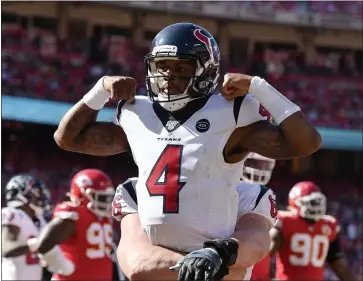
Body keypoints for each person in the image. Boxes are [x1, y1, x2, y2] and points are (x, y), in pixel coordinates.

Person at [54, 22, 321, 279]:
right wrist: (99, 91)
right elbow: (67, 139)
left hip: (211, 251)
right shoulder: (138, 113)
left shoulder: (231, 115)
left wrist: (258, 87)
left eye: (181, 67)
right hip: (188, 261)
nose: (169, 76)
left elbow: (306, 143)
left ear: (206, 71)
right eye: (162, 67)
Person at [112, 177, 277, 280]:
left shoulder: (248, 193)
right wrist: (211, 264)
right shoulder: (136, 189)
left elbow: (255, 244)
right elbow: (138, 264)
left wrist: (214, 256)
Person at [26, 169, 115, 280]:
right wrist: (62, 266)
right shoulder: (73, 215)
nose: (106, 203)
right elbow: (44, 244)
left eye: (108, 198)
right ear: (81, 194)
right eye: (101, 198)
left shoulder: (102, 218)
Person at [269, 181, 359, 281]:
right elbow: (341, 269)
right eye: (312, 203)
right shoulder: (285, 222)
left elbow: (340, 267)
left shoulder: (328, 225)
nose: (316, 207)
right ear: (296, 202)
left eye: (318, 203)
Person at [1, 174, 50, 280]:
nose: (41, 197)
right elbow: (6, 248)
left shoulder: (39, 220)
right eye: (38, 193)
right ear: (23, 195)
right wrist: (36, 244)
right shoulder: (13, 214)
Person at [241, 153, 276, 281]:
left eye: (264, 164)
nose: (260, 168)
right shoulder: (231, 189)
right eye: (254, 163)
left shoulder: (266, 194)